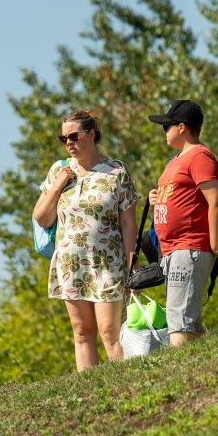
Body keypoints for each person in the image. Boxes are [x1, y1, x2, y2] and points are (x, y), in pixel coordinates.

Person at [33, 109, 140, 370]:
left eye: (73, 136)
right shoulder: (59, 170)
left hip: (108, 261)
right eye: (63, 138)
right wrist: (58, 184)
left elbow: (128, 223)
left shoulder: (116, 170)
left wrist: (132, 264)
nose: (68, 142)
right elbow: (42, 218)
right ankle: (88, 392)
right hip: (71, 263)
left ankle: (124, 386)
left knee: (109, 331)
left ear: (91, 134)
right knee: (82, 332)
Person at [147, 99, 218, 347]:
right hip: (172, 249)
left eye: (166, 126)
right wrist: (158, 198)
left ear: (181, 127)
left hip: (189, 246)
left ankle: (178, 376)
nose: (164, 132)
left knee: (178, 320)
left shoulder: (200, 157)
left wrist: (215, 244)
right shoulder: (176, 160)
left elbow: (217, 201)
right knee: (186, 320)